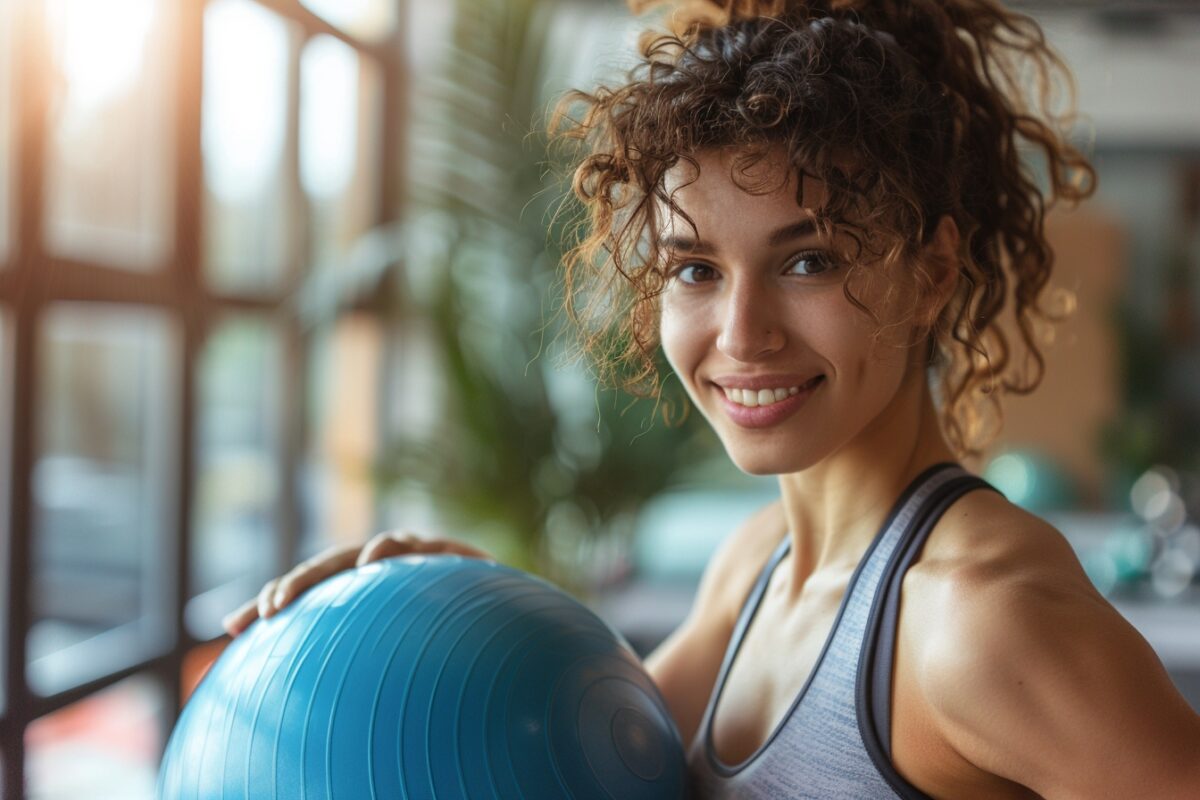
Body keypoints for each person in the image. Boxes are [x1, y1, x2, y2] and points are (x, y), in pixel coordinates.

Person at [223, 0, 1200, 796]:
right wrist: (457, 610)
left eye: (806, 260)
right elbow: (588, 753)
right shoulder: (753, 568)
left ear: (932, 270)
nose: (741, 333)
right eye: (694, 268)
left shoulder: (982, 618)